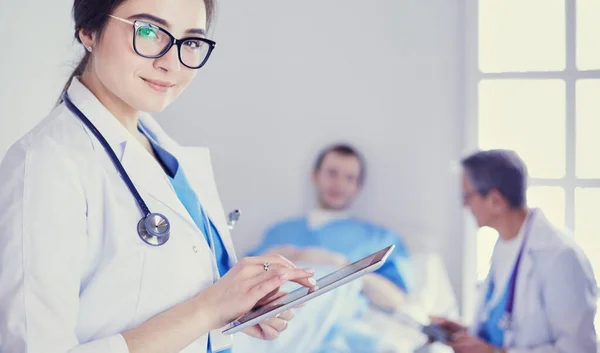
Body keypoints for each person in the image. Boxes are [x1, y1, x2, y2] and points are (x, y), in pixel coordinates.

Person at [0, 0, 317, 352]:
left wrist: (239, 307)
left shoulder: (161, 150)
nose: (172, 62)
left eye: (191, 42)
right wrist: (210, 308)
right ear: (89, 31)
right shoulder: (47, 164)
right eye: (148, 31)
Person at [432, 149, 598, 353]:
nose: (464, 204)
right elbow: (507, 329)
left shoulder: (560, 257)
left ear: (495, 200)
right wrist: (467, 332)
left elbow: (580, 350)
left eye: (467, 195)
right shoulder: (507, 243)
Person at [249, 143, 413, 313]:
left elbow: (396, 300)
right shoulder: (280, 232)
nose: (339, 184)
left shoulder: (378, 239)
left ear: (358, 186)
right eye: (332, 173)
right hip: (275, 316)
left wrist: (344, 268)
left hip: (339, 326)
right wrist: (274, 260)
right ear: (316, 175)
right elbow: (241, 280)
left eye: (349, 178)